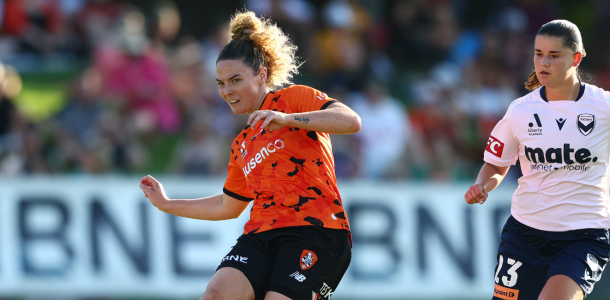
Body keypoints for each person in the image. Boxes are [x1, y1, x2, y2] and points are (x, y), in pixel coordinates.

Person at [139, 10, 361, 300]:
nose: (227, 91)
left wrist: (288, 119)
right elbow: (227, 207)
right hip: (261, 235)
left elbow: (351, 121)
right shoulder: (242, 143)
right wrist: (167, 204)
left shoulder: (293, 99)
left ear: (261, 75)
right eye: (220, 83)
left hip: (317, 232)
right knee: (215, 296)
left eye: (235, 80)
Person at [464, 20, 610, 300]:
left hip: (583, 236)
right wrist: (482, 185)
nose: (544, 62)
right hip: (524, 236)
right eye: (538, 53)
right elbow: (496, 164)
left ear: (576, 58)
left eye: (554, 56)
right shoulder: (520, 110)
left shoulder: (603, 108)